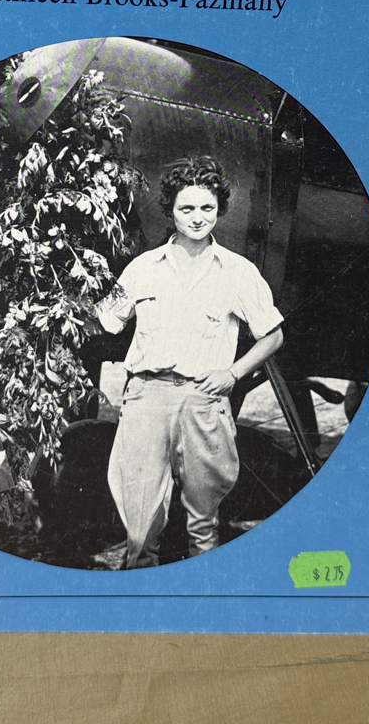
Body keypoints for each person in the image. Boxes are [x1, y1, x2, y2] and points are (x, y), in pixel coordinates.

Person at [96, 155, 284, 569]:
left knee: (204, 518)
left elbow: (273, 335)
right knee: (140, 521)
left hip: (203, 400)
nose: (197, 218)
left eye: (207, 207)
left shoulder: (238, 271)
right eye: (186, 208)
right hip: (147, 398)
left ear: (219, 209)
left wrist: (233, 372)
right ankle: (140, 584)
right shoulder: (143, 268)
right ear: (171, 210)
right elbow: (106, 321)